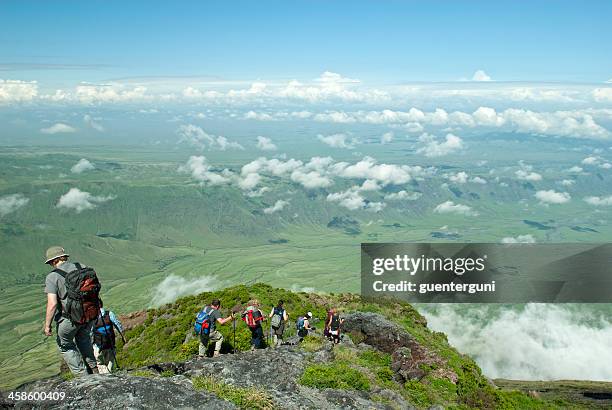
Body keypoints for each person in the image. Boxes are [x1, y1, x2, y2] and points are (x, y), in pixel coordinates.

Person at [43, 246, 99, 375]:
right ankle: (94, 369)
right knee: (84, 339)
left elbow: (52, 304)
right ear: (64, 257)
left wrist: (47, 326)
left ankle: (82, 377)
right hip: (89, 313)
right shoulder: (81, 266)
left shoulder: (52, 277)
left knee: (65, 345)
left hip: (70, 319)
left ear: (53, 261)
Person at [91, 301, 124, 373]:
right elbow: (118, 324)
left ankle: (104, 376)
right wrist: (123, 336)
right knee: (110, 362)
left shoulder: (92, 317)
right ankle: (109, 374)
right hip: (110, 344)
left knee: (99, 363)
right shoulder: (109, 314)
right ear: (101, 304)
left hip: (97, 345)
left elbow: (90, 332)